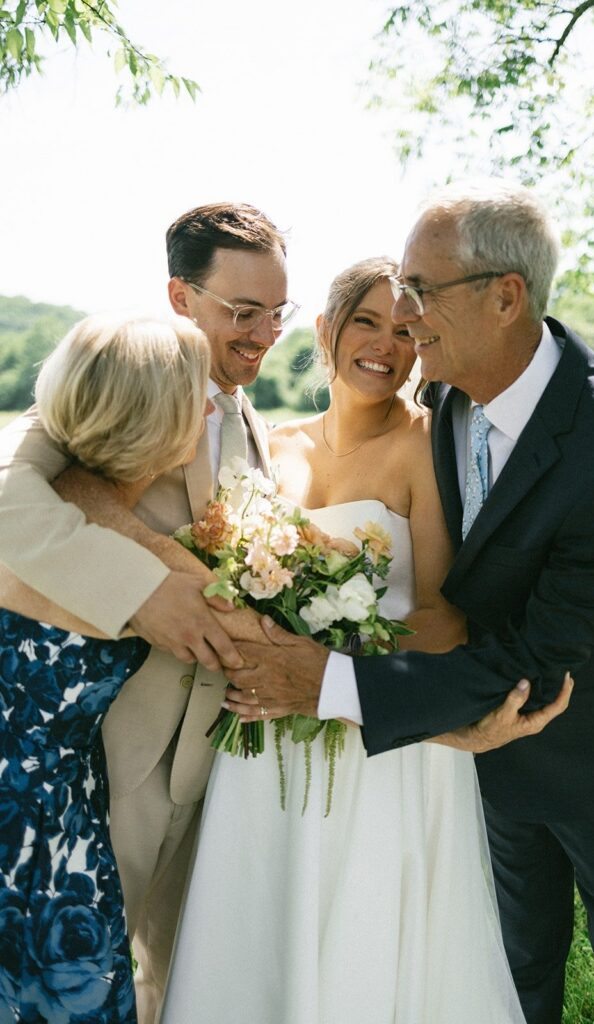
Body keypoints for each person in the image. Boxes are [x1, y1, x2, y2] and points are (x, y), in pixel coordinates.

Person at [226, 181, 594, 1024]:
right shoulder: (446, 392)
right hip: (479, 740)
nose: (404, 316)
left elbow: (535, 658)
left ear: (504, 296)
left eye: (420, 290)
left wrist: (323, 685)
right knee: (513, 958)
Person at [161, 257, 555, 1023]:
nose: (386, 344)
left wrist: (322, 669)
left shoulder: (423, 446)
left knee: (367, 932)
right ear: (325, 330)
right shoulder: (272, 446)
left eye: (406, 330)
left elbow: (442, 616)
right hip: (269, 724)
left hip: (378, 730)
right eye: (367, 321)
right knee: (260, 923)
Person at [0, 202, 295, 1023]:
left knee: (180, 978)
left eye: (277, 312)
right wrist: (141, 593)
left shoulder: (248, 418)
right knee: (75, 977)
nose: (263, 333)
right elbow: (8, 503)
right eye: (242, 312)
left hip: (214, 757)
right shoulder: (114, 374)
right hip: (102, 751)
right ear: (179, 296)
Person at [0, 312, 212, 1024]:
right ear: (158, 422)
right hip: (43, 830)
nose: (211, 406)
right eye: (197, 393)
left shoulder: (42, 516)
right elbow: (238, 630)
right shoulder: (140, 580)